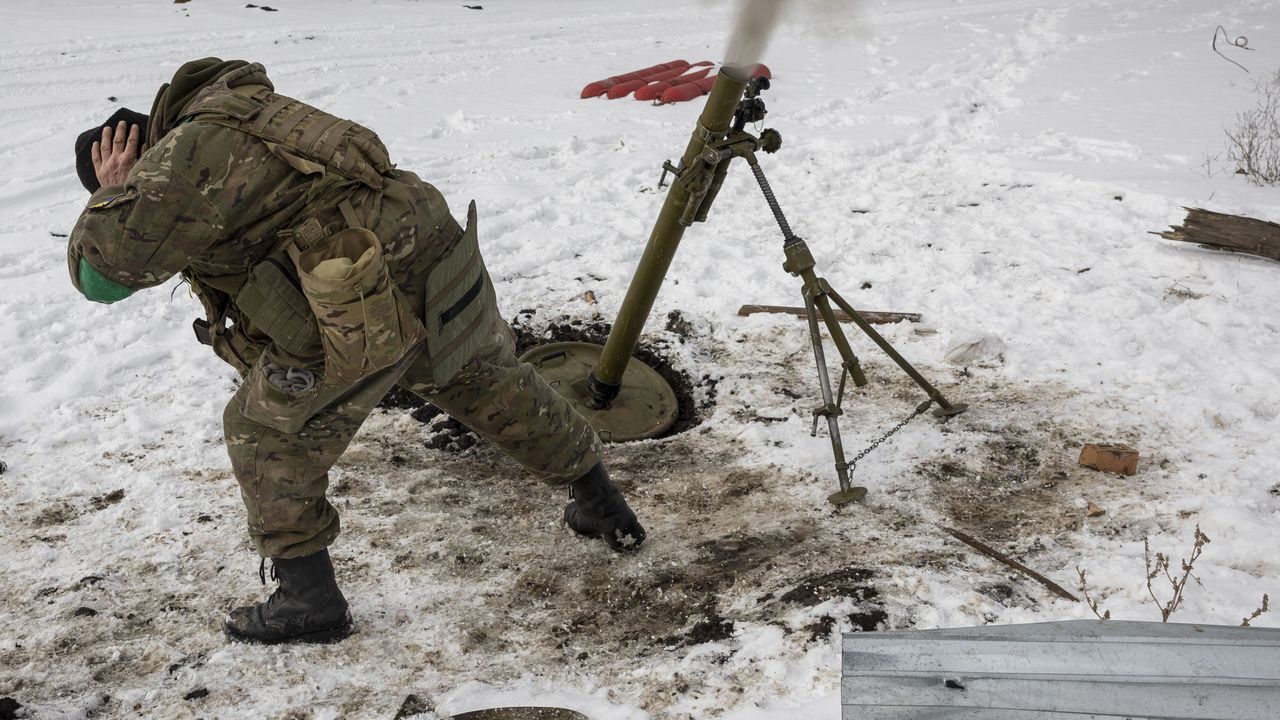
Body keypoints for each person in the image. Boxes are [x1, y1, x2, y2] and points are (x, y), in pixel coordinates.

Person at [68, 58, 646, 645]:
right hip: (425, 248)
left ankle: (308, 601)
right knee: (487, 380)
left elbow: (103, 278)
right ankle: (604, 507)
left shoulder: (175, 167)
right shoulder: (238, 107)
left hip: (354, 285)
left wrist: (114, 195)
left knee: (266, 434)